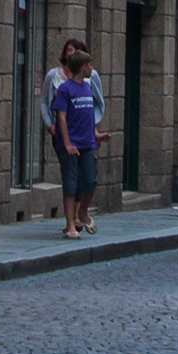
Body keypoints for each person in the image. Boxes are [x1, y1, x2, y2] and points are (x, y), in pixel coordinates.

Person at [53, 50, 109, 239]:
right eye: (90, 65)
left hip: (88, 143)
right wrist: (67, 143)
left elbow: (89, 115)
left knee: (90, 180)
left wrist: (97, 134)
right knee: (70, 184)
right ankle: (70, 224)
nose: (91, 69)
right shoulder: (65, 89)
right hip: (72, 145)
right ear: (83, 67)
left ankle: (83, 212)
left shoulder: (87, 87)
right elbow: (61, 117)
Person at [40, 37, 104, 146]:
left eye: (77, 50)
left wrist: (93, 128)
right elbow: (45, 102)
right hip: (63, 129)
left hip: (85, 132)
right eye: (70, 50)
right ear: (65, 54)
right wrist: (49, 124)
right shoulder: (55, 77)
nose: (73, 53)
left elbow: (95, 103)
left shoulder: (91, 76)